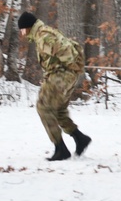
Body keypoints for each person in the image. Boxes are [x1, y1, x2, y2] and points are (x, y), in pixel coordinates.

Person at [18, 11, 92, 161]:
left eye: (22, 30)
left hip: (61, 76)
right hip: (66, 75)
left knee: (44, 107)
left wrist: (66, 66)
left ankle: (60, 148)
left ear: (27, 27)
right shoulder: (43, 33)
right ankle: (79, 138)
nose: (22, 34)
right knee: (58, 110)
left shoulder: (43, 36)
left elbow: (66, 51)